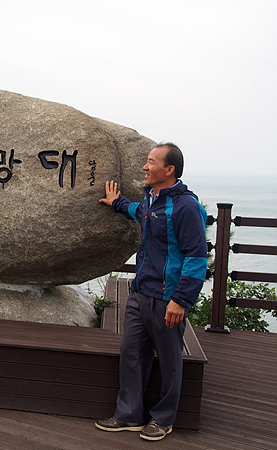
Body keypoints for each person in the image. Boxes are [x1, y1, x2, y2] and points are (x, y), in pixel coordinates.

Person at [95, 143, 207, 441]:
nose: (144, 167)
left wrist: (181, 301)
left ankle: (163, 419)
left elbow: (197, 257)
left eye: (150, 162)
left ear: (168, 170)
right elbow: (139, 212)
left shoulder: (186, 207)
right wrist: (116, 202)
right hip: (140, 292)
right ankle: (129, 414)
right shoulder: (152, 199)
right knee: (131, 353)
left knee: (170, 361)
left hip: (167, 297)